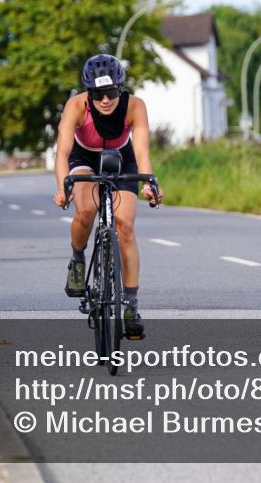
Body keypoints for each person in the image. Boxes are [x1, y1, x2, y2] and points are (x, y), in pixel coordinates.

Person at [52, 54, 163, 340]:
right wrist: (63, 187)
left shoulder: (135, 106)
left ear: (120, 89)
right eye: (98, 94)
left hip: (122, 157)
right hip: (84, 157)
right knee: (86, 210)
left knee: (125, 226)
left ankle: (131, 307)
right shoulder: (76, 106)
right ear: (88, 93)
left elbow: (142, 151)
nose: (105, 100)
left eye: (111, 92)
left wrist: (148, 183)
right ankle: (78, 258)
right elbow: (62, 152)